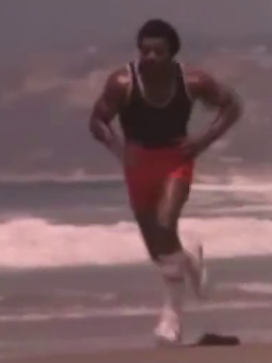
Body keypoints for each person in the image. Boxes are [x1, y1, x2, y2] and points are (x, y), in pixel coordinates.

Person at [89, 18, 243, 345]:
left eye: (158, 51)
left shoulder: (193, 81)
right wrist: (118, 150)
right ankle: (188, 258)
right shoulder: (122, 82)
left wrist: (202, 141)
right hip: (137, 161)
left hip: (176, 157)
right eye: (144, 50)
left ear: (172, 53)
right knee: (159, 249)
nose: (150, 57)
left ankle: (171, 320)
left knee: (165, 220)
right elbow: (97, 120)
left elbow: (232, 106)